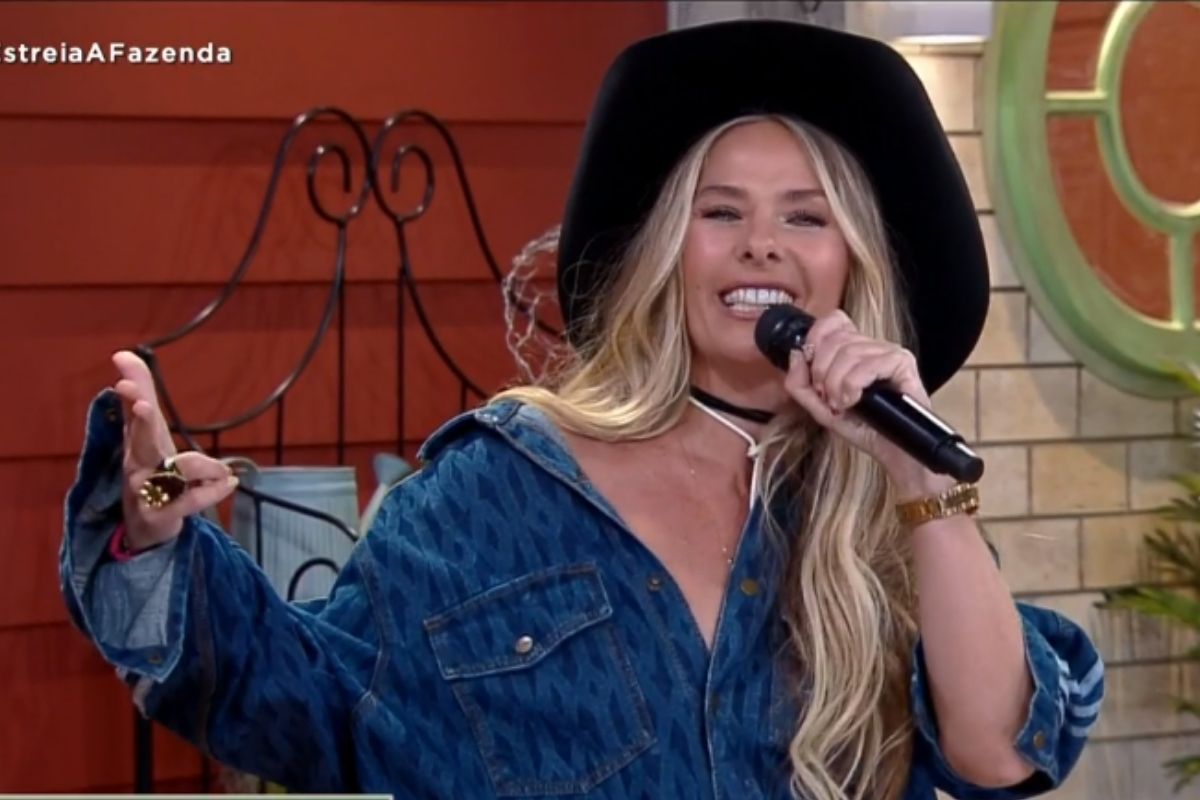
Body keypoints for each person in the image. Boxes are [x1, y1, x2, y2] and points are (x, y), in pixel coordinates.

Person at [60, 19, 1103, 800]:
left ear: (850, 266)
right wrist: (153, 521)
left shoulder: (891, 512)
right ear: (667, 254)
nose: (761, 243)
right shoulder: (498, 487)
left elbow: (1003, 754)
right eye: (720, 211)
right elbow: (307, 703)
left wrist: (920, 477)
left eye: (805, 217)